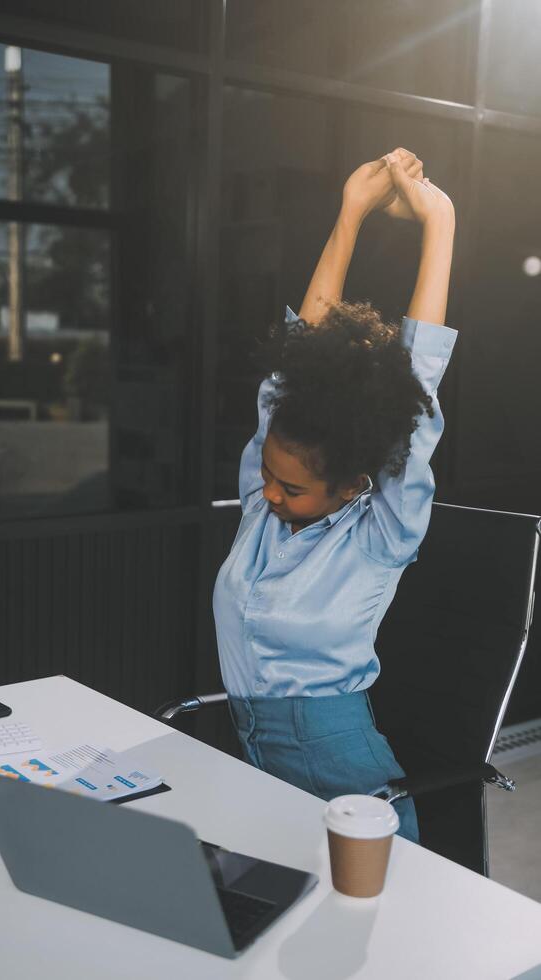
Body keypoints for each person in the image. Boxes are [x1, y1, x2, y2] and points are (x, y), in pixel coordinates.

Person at [213, 148, 457, 843]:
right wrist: (348, 214)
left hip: (341, 775)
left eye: (290, 487)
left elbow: (418, 392)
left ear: (354, 484)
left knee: (385, 937)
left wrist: (439, 224)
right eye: (265, 472)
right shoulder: (265, 504)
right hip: (253, 760)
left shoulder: (381, 533)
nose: (266, 494)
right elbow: (294, 362)